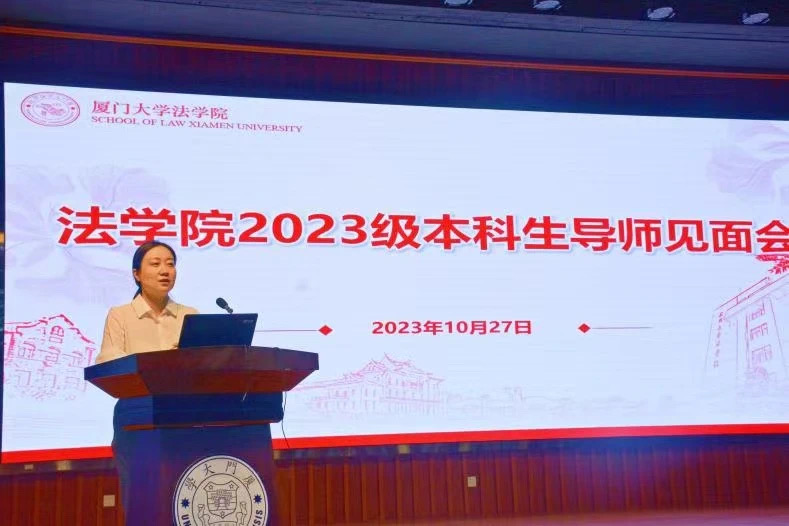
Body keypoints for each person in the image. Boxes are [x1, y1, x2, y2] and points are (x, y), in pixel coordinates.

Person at [96, 240, 197, 363]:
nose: (165, 271)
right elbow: (109, 361)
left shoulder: (189, 315)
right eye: (155, 264)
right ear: (136, 274)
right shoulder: (119, 315)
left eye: (170, 264)